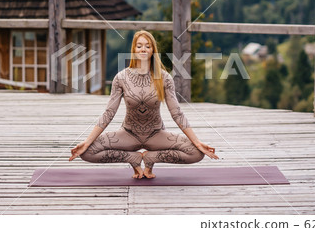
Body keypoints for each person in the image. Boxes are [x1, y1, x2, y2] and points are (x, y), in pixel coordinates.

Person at [69, 30, 218, 179]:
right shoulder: (121, 78)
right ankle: (133, 159)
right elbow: (109, 113)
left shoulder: (164, 78)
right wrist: (87, 141)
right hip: (128, 134)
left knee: (196, 154)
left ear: (153, 50)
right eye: (139, 46)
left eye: (147, 46)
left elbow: (177, 113)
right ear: (133, 49)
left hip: (156, 134)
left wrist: (197, 142)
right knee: (87, 152)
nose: (143, 49)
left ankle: (150, 158)